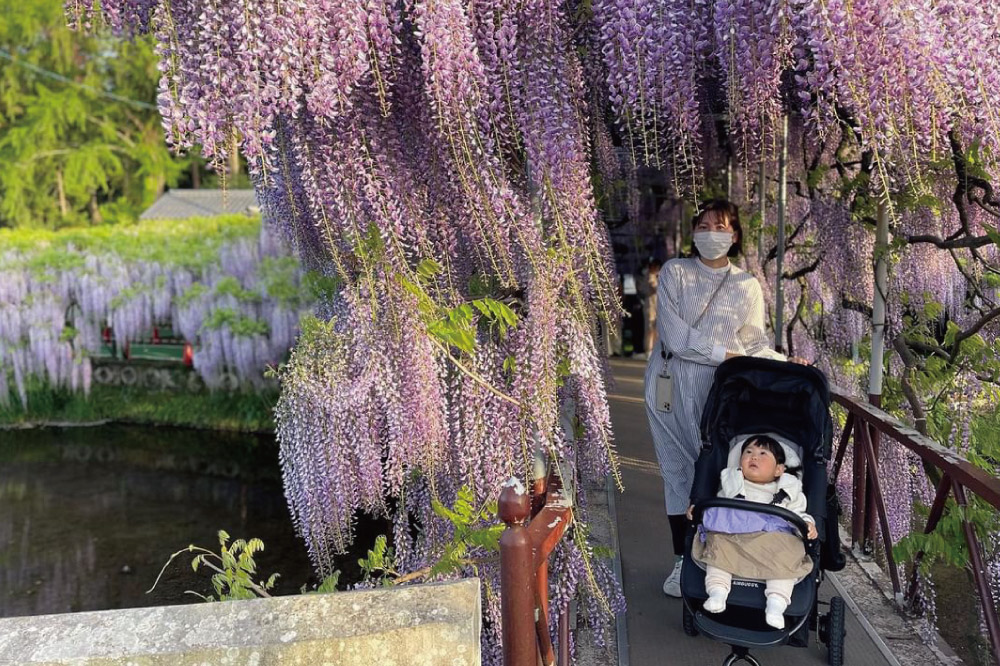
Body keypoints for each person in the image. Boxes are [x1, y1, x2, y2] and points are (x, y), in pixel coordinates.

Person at [643, 199, 805, 598]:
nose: (709, 231)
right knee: (678, 474)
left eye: (719, 225)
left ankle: (718, 558)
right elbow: (677, 339)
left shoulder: (747, 285)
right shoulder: (675, 273)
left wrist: (783, 361)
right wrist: (729, 355)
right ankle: (683, 558)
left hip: (721, 390)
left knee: (716, 469)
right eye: (703, 224)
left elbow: (753, 341)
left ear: (733, 236)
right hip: (671, 385)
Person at [687, 435, 817, 629]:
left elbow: (800, 514)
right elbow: (718, 513)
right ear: (739, 464)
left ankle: (776, 603)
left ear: (778, 469)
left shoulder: (788, 492)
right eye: (748, 452)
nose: (754, 457)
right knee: (718, 543)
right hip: (735, 540)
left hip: (772, 545)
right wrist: (699, 511)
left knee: (788, 553)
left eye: (763, 454)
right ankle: (717, 591)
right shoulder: (732, 486)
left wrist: (808, 525)